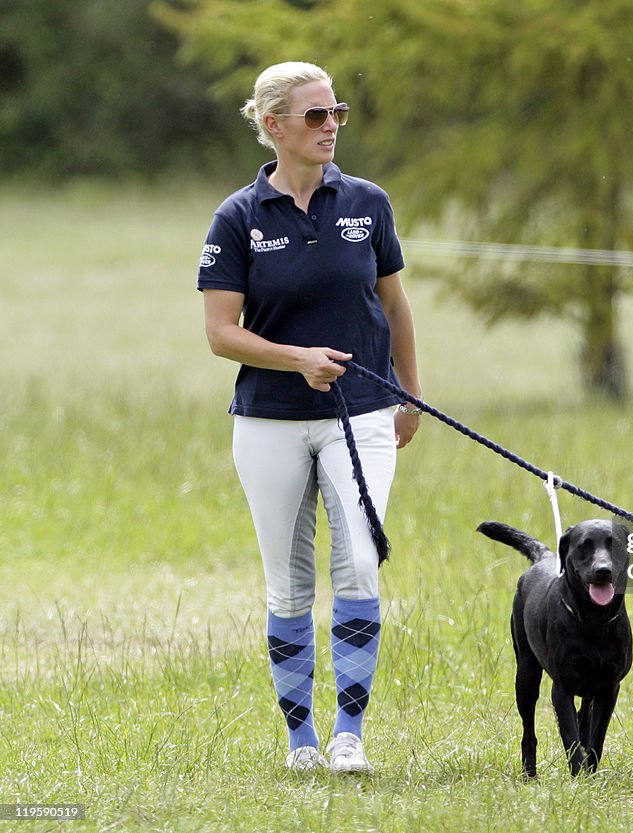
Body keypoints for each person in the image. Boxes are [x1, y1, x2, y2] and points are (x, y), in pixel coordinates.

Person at [197, 61, 422, 774]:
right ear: (273, 126)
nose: (332, 127)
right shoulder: (237, 218)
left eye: (338, 113)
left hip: (362, 408)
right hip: (269, 417)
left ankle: (349, 732)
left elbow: (394, 304)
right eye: (316, 116)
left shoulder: (368, 202)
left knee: (358, 557)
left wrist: (409, 392)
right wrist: (295, 358)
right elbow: (220, 332)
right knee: (289, 581)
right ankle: (302, 742)